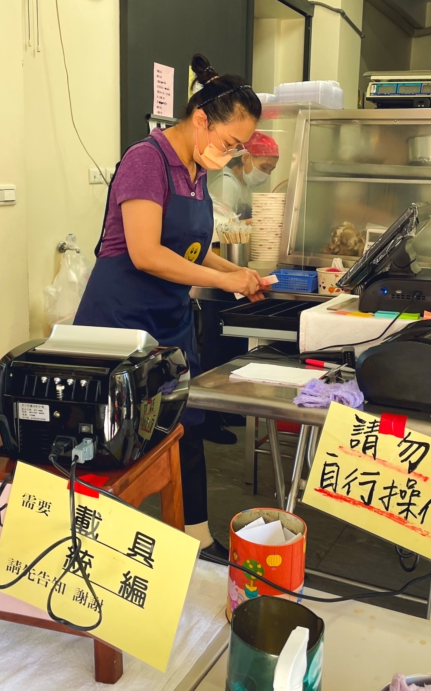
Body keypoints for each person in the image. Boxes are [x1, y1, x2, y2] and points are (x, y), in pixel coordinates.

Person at [73, 54, 265, 558]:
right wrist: (222, 283)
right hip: (119, 319)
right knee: (115, 434)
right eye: (230, 142)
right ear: (201, 119)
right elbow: (147, 252)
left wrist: (238, 276)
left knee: (186, 423)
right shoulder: (146, 160)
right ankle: (96, 543)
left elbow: (194, 251)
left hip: (169, 318)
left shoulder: (195, 171)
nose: (232, 154)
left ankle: (195, 537)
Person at [217, 130, 281, 220]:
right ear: (246, 158)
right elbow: (221, 224)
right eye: (264, 167)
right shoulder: (228, 184)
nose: (266, 174)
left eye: (271, 170)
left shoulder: (245, 184)